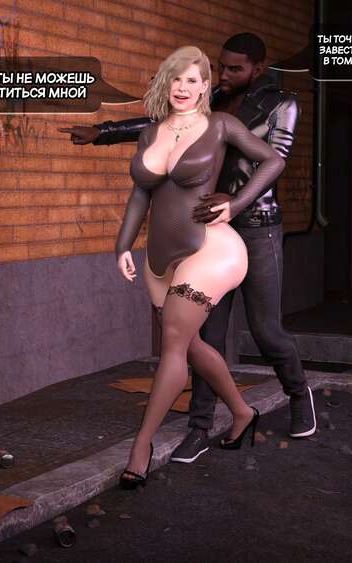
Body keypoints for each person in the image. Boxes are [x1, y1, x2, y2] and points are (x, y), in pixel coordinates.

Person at [59, 33, 315, 467]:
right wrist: (103, 132)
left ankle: (297, 393)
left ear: (257, 68)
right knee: (202, 337)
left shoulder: (281, 103)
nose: (225, 74)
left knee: (266, 331)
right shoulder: (208, 97)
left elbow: (275, 160)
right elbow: (158, 126)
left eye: (235, 69)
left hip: (255, 225)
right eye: (222, 66)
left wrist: (236, 202)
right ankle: (200, 427)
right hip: (203, 230)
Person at [107, 45, 285, 490]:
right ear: (165, 83)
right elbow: (141, 194)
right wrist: (123, 245)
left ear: (206, 85)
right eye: (176, 78)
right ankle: (242, 412)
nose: (183, 87)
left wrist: (235, 204)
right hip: (160, 256)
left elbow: (274, 160)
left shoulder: (221, 124)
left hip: (210, 249)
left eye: (192, 80)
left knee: (172, 345)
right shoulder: (151, 132)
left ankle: (141, 449)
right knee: (188, 344)